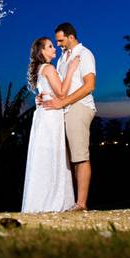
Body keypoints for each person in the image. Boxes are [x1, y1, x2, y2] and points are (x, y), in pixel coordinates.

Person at [41, 22, 96, 212]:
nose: (58, 44)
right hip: (65, 110)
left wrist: (63, 103)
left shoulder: (84, 54)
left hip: (79, 108)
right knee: (72, 158)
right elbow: (61, 88)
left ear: (71, 37)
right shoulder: (63, 59)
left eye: (60, 40)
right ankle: (74, 202)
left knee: (81, 156)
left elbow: (89, 86)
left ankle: (81, 204)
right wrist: (45, 96)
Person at [21, 37, 79, 212]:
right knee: (53, 155)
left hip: (43, 116)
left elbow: (45, 91)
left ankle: (42, 201)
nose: (54, 48)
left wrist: (39, 97)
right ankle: (52, 202)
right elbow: (61, 93)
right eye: (50, 46)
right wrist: (71, 70)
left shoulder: (40, 69)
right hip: (51, 116)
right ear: (42, 52)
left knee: (45, 155)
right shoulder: (48, 68)